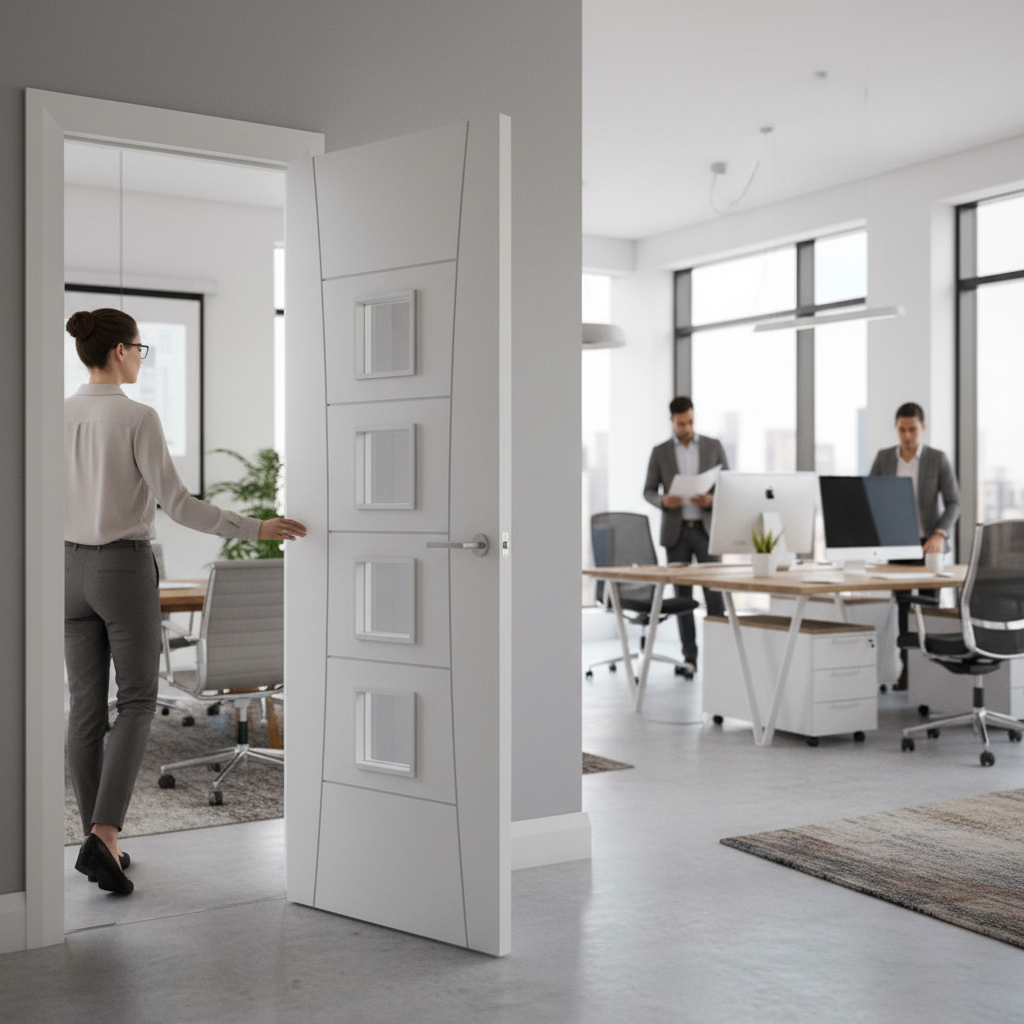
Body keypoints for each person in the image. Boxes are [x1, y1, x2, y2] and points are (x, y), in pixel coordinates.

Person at [65, 308, 307, 895]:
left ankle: (101, 844)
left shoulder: (56, 412)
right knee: (140, 700)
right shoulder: (135, 416)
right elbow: (179, 504)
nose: (142, 359)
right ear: (121, 351)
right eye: (142, 350)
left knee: (85, 708)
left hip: (64, 567)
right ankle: (105, 832)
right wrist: (255, 528)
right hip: (121, 566)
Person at [869, 401, 961, 689]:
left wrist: (939, 533)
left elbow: (954, 502)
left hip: (929, 545)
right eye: (901, 430)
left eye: (912, 429)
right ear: (896, 429)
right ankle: (907, 670)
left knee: (929, 608)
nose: (907, 436)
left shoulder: (937, 459)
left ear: (923, 428)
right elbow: (871, 494)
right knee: (903, 608)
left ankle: (929, 673)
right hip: (898, 545)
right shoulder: (884, 458)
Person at [643, 396, 729, 676]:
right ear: (672, 421)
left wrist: (712, 499)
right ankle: (689, 658)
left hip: (706, 531)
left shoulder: (714, 447)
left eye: (690, 421)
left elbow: (728, 484)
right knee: (683, 599)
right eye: (681, 423)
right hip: (677, 533)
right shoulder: (660, 453)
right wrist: (663, 501)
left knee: (715, 597)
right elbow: (648, 490)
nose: (686, 427)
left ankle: (720, 657)